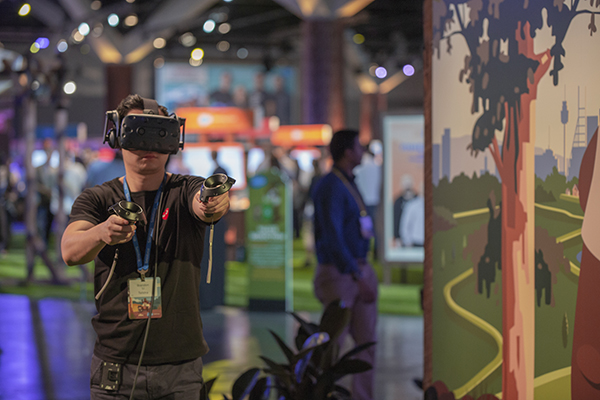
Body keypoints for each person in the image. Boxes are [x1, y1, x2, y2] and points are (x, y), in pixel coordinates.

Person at [61, 94, 230, 399]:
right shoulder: (97, 198)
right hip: (116, 370)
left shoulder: (185, 189)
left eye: (158, 133)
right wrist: (102, 232)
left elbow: (204, 206)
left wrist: (213, 200)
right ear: (116, 136)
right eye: (138, 131)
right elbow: (70, 251)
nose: (148, 145)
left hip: (181, 371)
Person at [311, 129, 378, 400]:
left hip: (357, 269)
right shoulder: (331, 186)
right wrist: (355, 273)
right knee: (332, 346)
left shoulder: (348, 182)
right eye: (359, 147)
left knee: (366, 344)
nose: (363, 152)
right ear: (348, 152)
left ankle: (362, 396)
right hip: (341, 274)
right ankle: (320, 393)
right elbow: (332, 236)